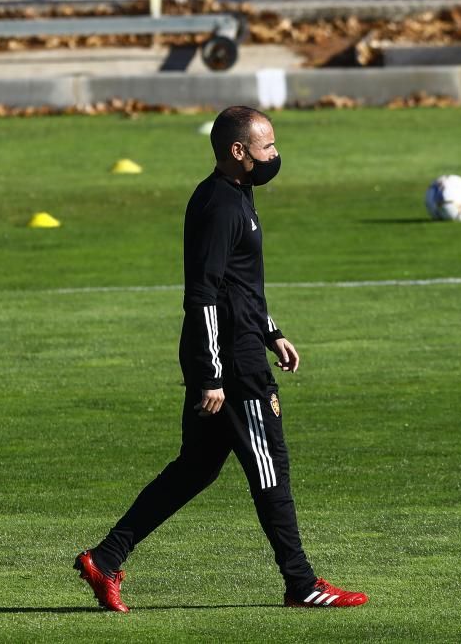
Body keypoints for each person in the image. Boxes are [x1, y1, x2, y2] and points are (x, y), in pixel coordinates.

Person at [73, 106, 368, 612]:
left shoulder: (235, 194)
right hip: (232, 364)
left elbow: (239, 284)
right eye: (267, 147)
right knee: (270, 469)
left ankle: (106, 556)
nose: (275, 156)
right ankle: (301, 584)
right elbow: (204, 295)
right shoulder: (221, 207)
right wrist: (213, 375)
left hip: (240, 348)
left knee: (195, 469)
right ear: (238, 152)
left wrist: (271, 330)